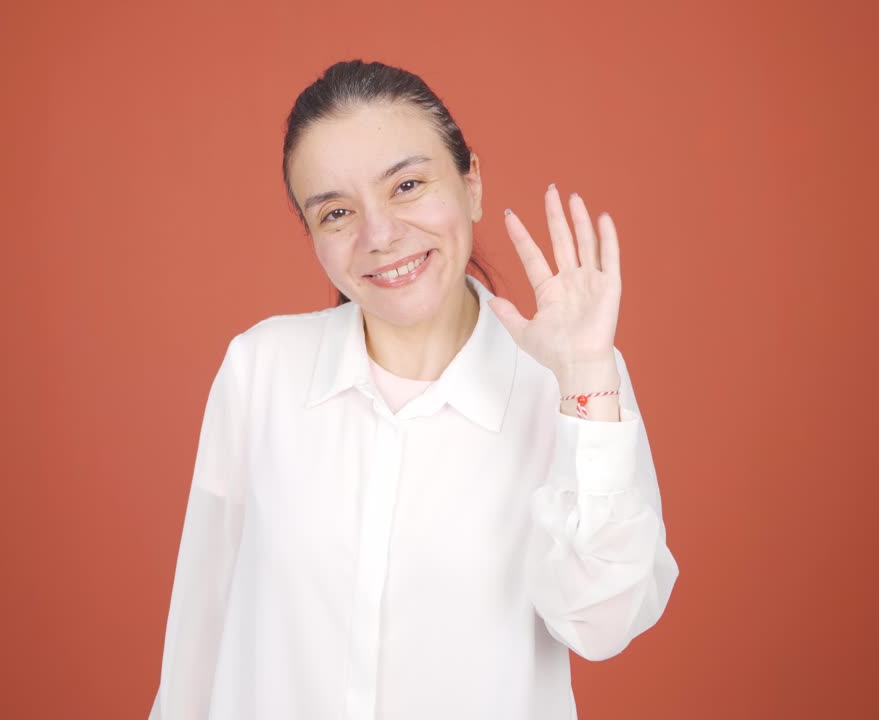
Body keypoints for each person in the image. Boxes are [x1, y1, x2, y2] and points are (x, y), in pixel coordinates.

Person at [147, 59, 679, 720]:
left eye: (407, 185)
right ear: (313, 236)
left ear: (471, 182)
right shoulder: (261, 370)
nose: (380, 235)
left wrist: (587, 380)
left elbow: (602, 624)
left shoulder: (571, 387)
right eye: (337, 212)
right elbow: (201, 630)